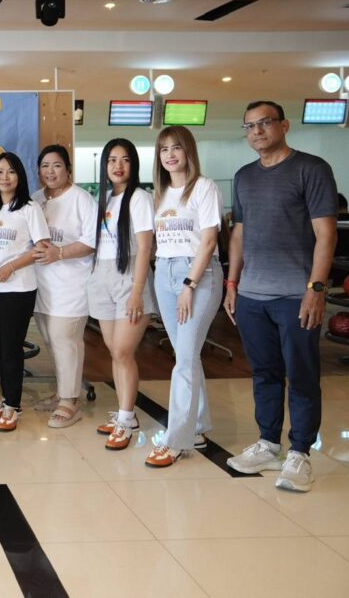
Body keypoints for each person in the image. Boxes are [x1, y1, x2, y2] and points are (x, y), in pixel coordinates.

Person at [224, 100, 337, 492]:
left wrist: (316, 289)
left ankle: (300, 452)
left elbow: (326, 234)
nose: (257, 131)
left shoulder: (311, 169)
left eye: (265, 123)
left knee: (302, 376)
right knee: (265, 374)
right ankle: (269, 444)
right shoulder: (243, 176)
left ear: (284, 125)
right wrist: (232, 284)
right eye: (250, 125)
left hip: (295, 295)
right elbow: (239, 233)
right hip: (252, 295)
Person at [145, 126, 224, 467]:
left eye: (176, 148)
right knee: (185, 356)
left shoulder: (204, 188)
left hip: (198, 274)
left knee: (185, 360)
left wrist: (190, 285)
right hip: (164, 271)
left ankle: (176, 440)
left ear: (188, 151)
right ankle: (199, 427)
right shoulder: (160, 194)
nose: (170, 155)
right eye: (164, 149)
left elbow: (209, 241)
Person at [0, 152, 50, 432]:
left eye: (11, 171)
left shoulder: (29, 208)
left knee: (10, 348)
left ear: (20, 176)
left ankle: (13, 406)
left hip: (18, 290)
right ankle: (7, 397)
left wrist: (11, 267)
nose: (4, 177)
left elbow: (42, 248)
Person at [88, 138, 157, 451]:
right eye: (112, 160)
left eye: (125, 160)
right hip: (101, 278)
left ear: (134, 165)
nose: (118, 166)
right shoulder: (104, 199)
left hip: (129, 279)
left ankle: (127, 419)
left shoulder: (139, 198)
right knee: (114, 351)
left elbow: (145, 248)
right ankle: (124, 413)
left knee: (122, 350)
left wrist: (137, 292)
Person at [31, 145, 97, 428]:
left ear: (68, 169)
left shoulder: (82, 199)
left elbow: (91, 241)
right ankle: (62, 393)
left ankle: (70, 402)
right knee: (51, 340)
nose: (50, 171)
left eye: (56, 165)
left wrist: (59, 253)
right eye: (45, 166)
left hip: (71, 285)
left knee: (65, 340)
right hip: (41, 284)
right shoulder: (36, 199)